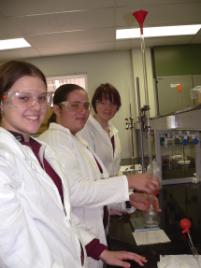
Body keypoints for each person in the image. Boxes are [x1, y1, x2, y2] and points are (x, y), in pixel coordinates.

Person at [0, 60, 150, 268]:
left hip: (77, 255)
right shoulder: (4, 160)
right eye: (24, 97)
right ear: (2, 102)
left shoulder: (40, 151)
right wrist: (129, 182)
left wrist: (101, 251)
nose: (36, 106)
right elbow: (16, 249)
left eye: (42, 98)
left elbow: (63, 215)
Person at [39, 83, 160, 268]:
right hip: (78, 244)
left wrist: (128, 199)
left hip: (93, 234)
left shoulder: (75, 139)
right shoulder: (55, 142)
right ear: (56, 109)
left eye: (85, 105)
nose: (82, 111)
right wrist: (129, 181)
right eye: (74, 105)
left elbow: (95, 184)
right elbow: (75, 193)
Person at [79, 83, 122, 177]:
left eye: (113, 103)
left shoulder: (113, 131)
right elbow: (89, 168)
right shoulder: (85, 129)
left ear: (117, 107)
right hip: (96, 188)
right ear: (95, 104)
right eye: (103, 103)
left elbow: (114, 167)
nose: (108, 108)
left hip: (112, 187)